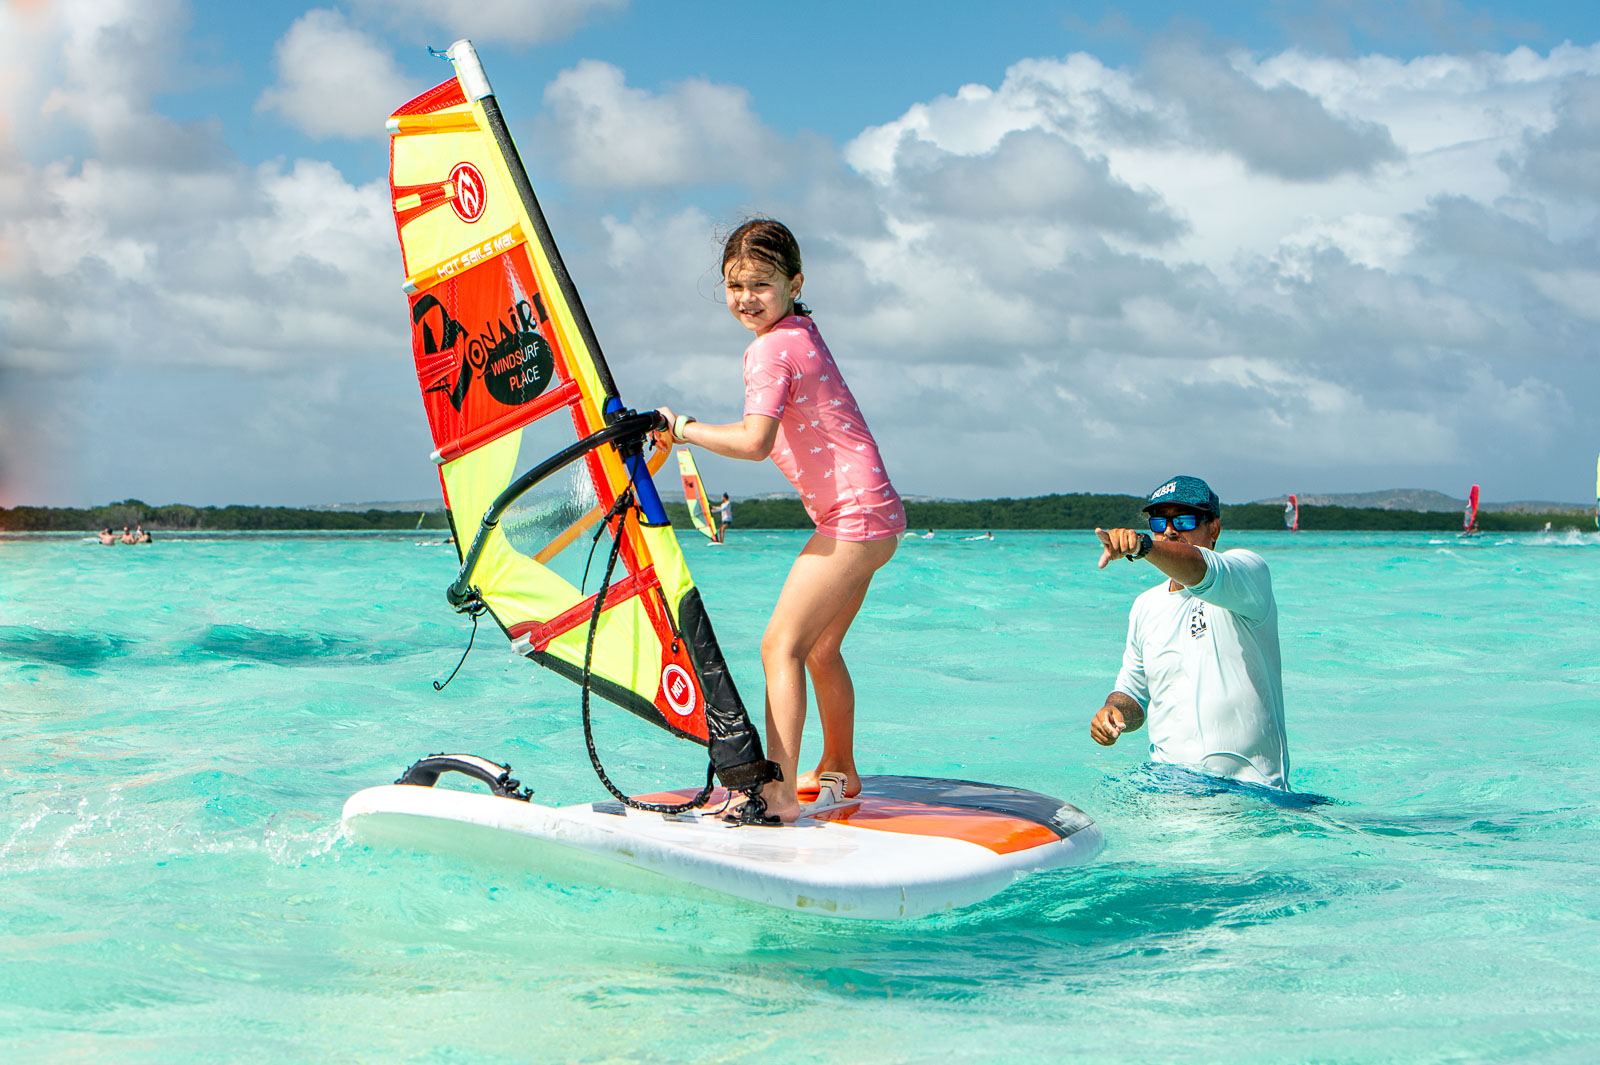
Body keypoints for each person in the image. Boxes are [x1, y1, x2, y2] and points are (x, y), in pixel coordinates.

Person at [656, 219, 905, 822]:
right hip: (877, 513)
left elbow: (754, 441)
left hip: (852, 517)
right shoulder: (800, 331)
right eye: (734, 285)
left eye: (761, 285)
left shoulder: (771, 347)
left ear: (794, 282)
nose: (746, 298)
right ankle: (839, 772)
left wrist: (681, 427)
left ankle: (779, 793)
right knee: (819, 649)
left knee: (779, 647)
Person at [1088, 474, 1291, 790]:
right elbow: (1133, 694)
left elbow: (1199, 568)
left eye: (1183, 520)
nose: (1169, 531)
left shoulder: (1247, 574)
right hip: (1166, 785)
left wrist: (1144, 545)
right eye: (1159, 523)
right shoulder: (1146, 606)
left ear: (1214, 528)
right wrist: (1112, 711)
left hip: (1251, 793)